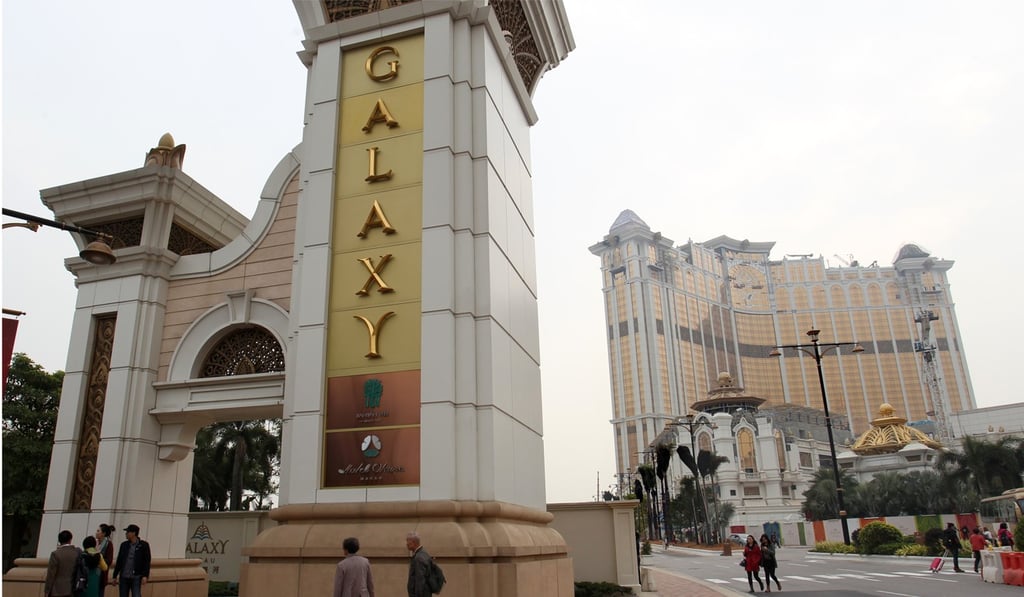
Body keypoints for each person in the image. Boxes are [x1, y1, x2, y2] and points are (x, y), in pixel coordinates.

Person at [113, 524, 152, 597]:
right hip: (124, 576)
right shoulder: (124, 545)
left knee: (136, 594)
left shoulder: (143, 545)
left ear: (134, 533)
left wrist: (145, 575)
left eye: (128, 532)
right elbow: (119, 561)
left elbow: (147, 561)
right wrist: (115, 575)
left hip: (136, 576)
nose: (126, 534)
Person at [44, 530, 80, 597]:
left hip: (57, 590)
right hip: (72, 589)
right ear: (70, 540)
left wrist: (47, 590)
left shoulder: (55, 554)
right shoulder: (76, 553)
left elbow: (51, 574)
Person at [406, 532, 432, 597]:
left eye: (408, 542)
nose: (406, 544)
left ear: (414, 542)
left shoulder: (418, 558)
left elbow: (420, 580)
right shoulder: (424, 553)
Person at [95, 523, 115, 593]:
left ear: (103, 533)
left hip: (101, 574)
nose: (96, 533)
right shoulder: (95, 543)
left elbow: (109, 560)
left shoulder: (108, 544)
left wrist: (98, 560)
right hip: (93, 573)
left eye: (98, 531)